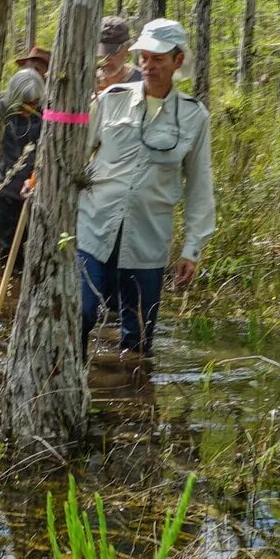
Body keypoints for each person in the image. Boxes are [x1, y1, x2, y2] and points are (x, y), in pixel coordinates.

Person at [74, 18, 214, 362]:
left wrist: (191, 249)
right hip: (94, 228)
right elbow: (76, 156)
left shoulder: (195, 117)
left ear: (177, 61)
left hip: (148, 239)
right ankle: (67, 391)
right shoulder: (111, 100)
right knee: (81, 312)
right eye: (144, 59)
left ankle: (130, 405)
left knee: (137, 336)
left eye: (158, 59)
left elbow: (200, 186)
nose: (148, 66)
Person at [0, 45, 50, 259]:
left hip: (33, 192)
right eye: (25, 105)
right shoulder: (1, 111)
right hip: (5, 193)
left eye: (34, 104)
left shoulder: (45, 114)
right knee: (7, 253)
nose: (29, 109)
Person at [94, 15, 138, 94]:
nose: (106, 58)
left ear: (128, 48)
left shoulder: (142, 81)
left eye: (112, 52)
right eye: (102, 51)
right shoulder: (84, 81)